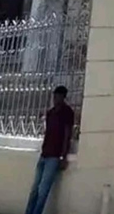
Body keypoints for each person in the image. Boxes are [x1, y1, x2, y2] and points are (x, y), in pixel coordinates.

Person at [25, 86, 75, 214]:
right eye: (54, 96)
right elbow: (48, 133)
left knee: (43, 190)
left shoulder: (67, 113)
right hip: (45, 153)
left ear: (63, 97)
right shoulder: (50, 113)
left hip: (54, 156)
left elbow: (67, 135)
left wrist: (63, 157)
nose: (55, 99)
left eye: (58, 96)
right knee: (34, 189)